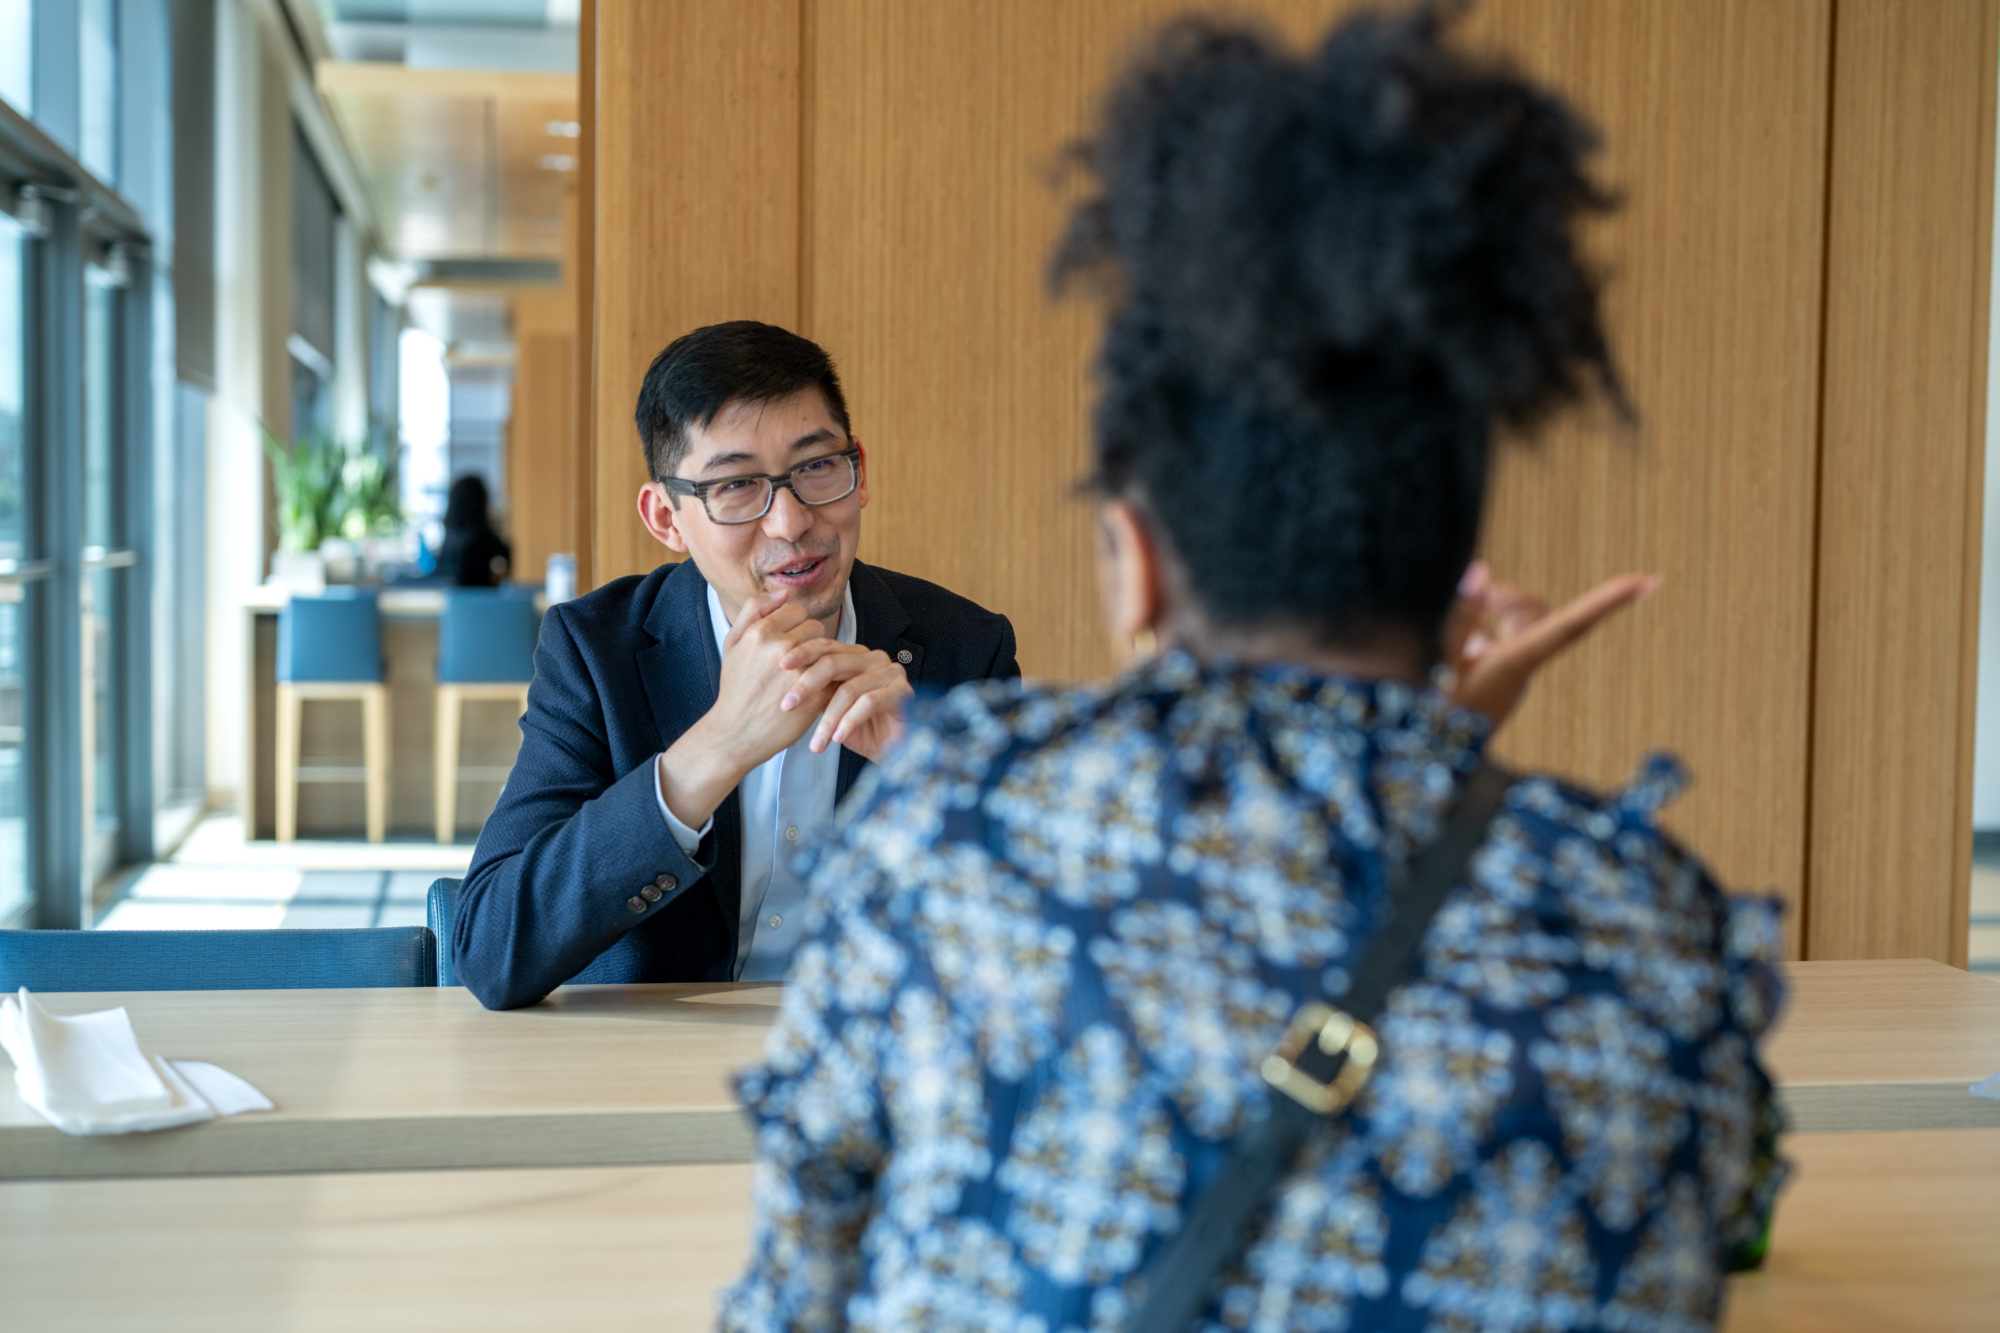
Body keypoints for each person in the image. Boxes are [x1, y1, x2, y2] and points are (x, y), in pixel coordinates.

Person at [719, 9, 1783, 1331]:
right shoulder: (1645, 911)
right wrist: (1434, 774)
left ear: (1139, 562)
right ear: (1446, 563)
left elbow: (797, 1296)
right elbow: (1723, 1221)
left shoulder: (952, 826)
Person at [452, 322, 1019, 1010]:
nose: (790, 523)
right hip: (646, 1081)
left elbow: (1033, 950)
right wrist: (711, 750)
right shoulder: (595, 651)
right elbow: (490, 949)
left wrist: (935, 786)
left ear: (859, 470)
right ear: (666, 517)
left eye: (816, 466)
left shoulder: (964, 648)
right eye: (737, 485)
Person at [435, 475, 513, 587]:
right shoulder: (482, 536)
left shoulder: (450, 534)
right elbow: (509, 557)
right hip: (480, 600)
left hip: (450, 600)